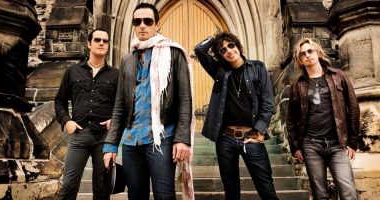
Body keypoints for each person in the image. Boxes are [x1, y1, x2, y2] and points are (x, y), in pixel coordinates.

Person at [103, 3, 194, 200]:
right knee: (136, 195)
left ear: (157, 25)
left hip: (161, 139)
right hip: (130, 140)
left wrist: (182, 138)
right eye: (137, 21)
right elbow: (120, 105)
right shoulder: (127, 60)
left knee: (164, 195)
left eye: (148, 21)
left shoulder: (174, 53)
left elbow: (185, 99)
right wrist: (110, 145)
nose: (142, 25)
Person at [194, 32, 278, 200]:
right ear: (220, 55)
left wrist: (260, 131)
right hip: (226, 138)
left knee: (266, 189)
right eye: (223, 50)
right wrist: (215, 38)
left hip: (252, 136)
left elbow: (268, 102)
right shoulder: (219, 71)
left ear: (238, 46)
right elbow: (199, 50)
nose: (229, 51)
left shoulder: (258, 67)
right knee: (231, 191)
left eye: (231, 45)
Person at [286, 38, 359, 200]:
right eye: (302, 54)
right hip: (311, 146)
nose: (307, 55)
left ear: (318, 52)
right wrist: (295, 146)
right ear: (300, 59)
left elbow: (353, 108)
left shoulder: (338, 76)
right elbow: (291, 119)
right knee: (320, 195)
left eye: (310, 51)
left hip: (337, 144)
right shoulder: (297, 84)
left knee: (348, 193)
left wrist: (353, 141)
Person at [55, 29, 119, 200]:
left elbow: (124, 105)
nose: (101, 43)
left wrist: (115, 119)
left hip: (104, 138)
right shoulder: (72, 72)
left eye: (105, 41)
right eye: (97, 40)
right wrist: (66, 121)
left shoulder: (116, 75)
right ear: (89, 44)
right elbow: (59, 101)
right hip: (79, 135)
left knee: (102, 189)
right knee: (68, 187)